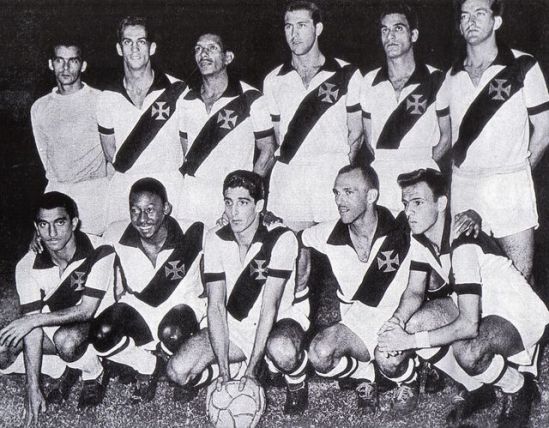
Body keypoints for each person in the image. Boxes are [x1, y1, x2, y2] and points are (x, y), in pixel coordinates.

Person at [377, 168, 549, 426]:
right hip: (478, 307)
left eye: (417, 202)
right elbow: (414, 291)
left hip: (517, 313)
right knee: (415, 322)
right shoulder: (421, 239)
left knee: (469, 352)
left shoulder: (463, 241)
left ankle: (518, 387)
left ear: (442, 202)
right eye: (405, 203)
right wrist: (396, 323)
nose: (408, 211)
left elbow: (468, 325)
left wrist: (410, 341)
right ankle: (479, 387)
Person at [166, 170, 310, 415]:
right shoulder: (214, 238)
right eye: (228, 202)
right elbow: (215, 306)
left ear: (259, 205)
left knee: (284, 352)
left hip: (278, 320)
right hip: (236, 325)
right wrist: (223, 372)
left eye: (243, 203)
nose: (233, 212)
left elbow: (270, 307)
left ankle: (294, 378)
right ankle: (233, 368)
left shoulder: (281, 238)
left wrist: (252, 371)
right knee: (177, 372)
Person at [436, 0, 549, 282]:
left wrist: (518, 174)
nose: (470, 21)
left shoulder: (523, 65)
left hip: (509, 185)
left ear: (496, 22)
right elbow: (445, 138)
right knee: (469, 273)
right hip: (465, 186)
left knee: (519, 275)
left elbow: (544, 133)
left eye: (479, 13)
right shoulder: (450, 76)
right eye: (465, 15)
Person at [301, 164, 414, 414]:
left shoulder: (402, 226)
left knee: (390, 361)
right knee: (319, 355)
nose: (339, 201)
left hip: (403, 318)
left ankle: (408, 378)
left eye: (348, 192)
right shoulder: (328, 232)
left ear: (371, 196)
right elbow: (294, 239)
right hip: (358, 320)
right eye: (336, 193)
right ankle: (367, 374)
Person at [0, 192, 116, 425]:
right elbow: (32, 324)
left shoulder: (101, 249)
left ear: (74, 223)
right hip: (53, 320)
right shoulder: (26, 264)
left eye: (59, 223)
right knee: (3, 350)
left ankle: (94, 370)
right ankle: (64, 367)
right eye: (44, 224)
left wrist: (33, 321)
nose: (51, 233)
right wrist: (32, 387)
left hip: (100, 320)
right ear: (36, 227)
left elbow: (86, 310)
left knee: (67, 341)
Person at [89, 178, 207, 404]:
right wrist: (39, 242)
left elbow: (233, 239)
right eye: (135, 210)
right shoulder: (115, 233)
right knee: (100, 334)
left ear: (167, 209)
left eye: (150, 210)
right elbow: (81, 244)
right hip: (139, 307)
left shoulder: (195, 232)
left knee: (173, 333)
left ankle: (183, 367)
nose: (142, 219)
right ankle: (147, 365)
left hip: (184, 306)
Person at [263, 0, 364, 231]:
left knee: (335, 249)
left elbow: (356, 132)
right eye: (289, 26)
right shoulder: (273, 80)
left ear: (318, 29)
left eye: (301, 25)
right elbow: (279, 134)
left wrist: (340, 170)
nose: (294, 34)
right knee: (293, 250)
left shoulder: (347, 74)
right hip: (292, 175)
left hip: (331, 172)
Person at [177, 32, 276, 227]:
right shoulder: (186, 100)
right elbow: (185, 149)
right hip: (191, 194)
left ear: (228, 57)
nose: (203, 53)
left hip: (230, 195)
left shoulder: (251, 99)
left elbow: (269, 151)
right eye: (198, 48)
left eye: (212, 48)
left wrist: (244, 193)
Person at [360, 3, 450, 214]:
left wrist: (422, 165)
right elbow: (368, 138)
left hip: (423, 175)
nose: (390, 36)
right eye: (385, 30)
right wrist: (389, 162)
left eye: (398, 28)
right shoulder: (369, 81)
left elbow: (447, 137)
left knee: (423, 244)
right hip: (382, 175)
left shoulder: (437, 79)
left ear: (414, 35)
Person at [97, 16, 187, 224]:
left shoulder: (177, 90)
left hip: (169, 186)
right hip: (126, 188)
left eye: (141, 42)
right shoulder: (107, 97)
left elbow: (187, 145)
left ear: (152, 47)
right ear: (120, 48)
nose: (134, 49)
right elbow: (110, 153)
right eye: (128, 42)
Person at [31, 40, 108, 235]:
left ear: (83, 65)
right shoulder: (40, 106)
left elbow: (112, 153)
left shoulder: (100, 100)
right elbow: (44, 154)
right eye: (59, 60)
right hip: (57, 191)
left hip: (92, 195)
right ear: (51, 64)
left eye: (73, 61)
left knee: (94, 256)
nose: (65, 67)